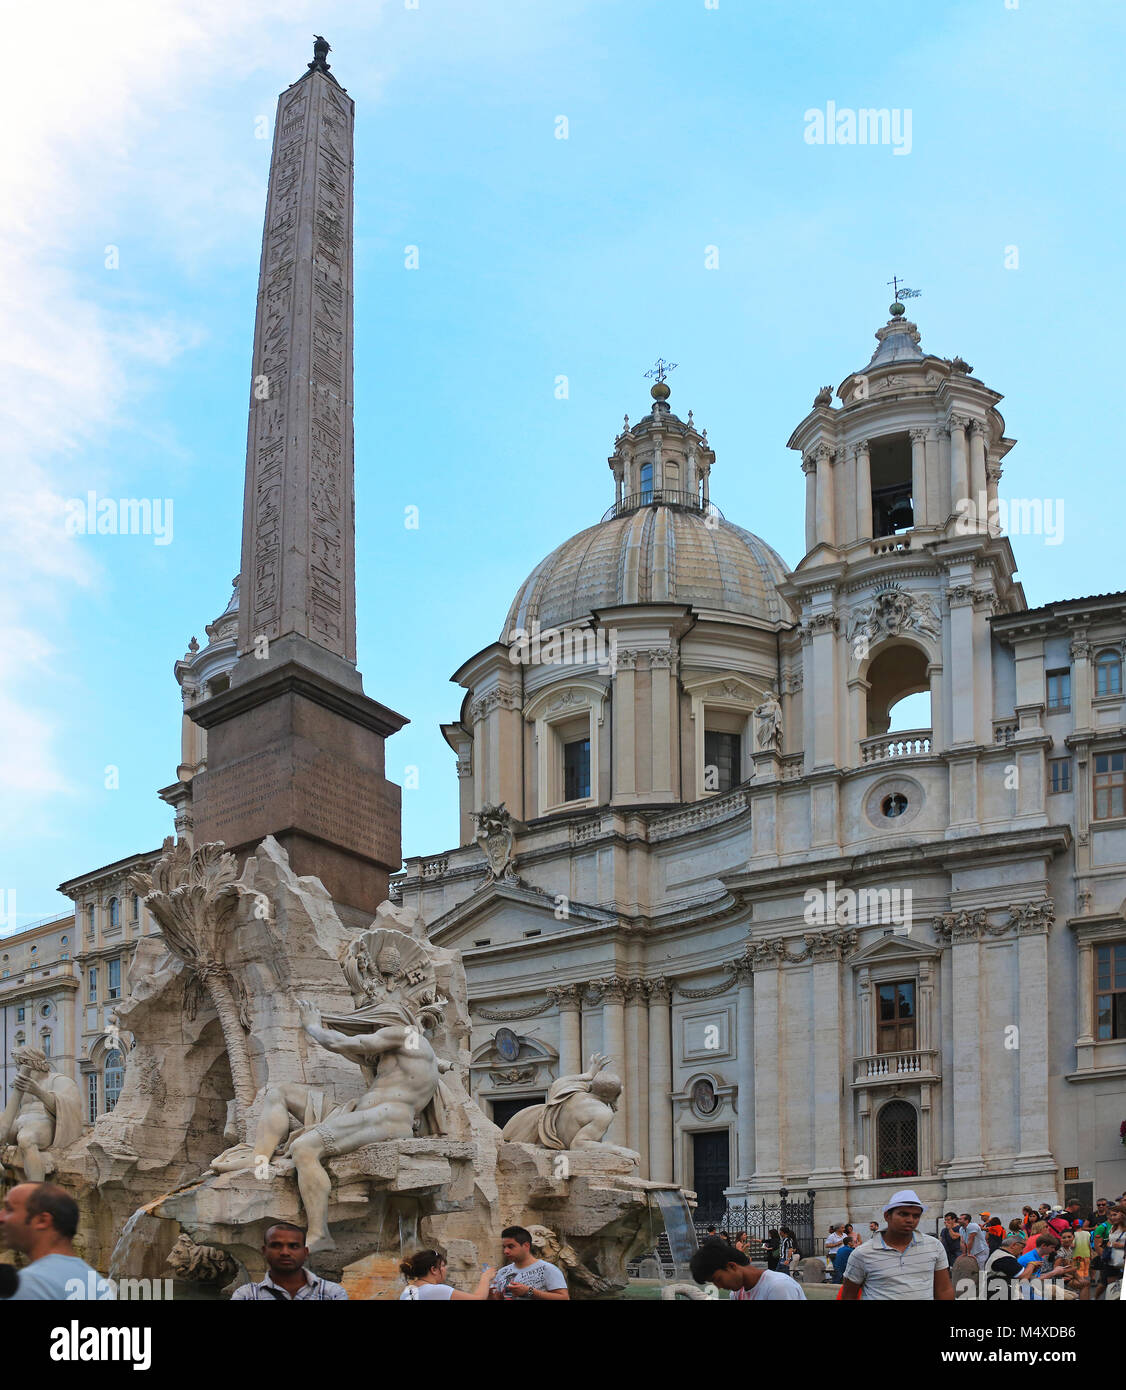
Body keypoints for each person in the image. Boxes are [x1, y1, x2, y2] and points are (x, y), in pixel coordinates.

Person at [0, 1182, 113, 1300]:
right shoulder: (98, 1284)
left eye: (9, 1209)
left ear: (42, 1220)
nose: (1, 1217)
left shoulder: (30, 1285)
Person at [840, 1190, 953, 1301]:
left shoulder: (934, 1246)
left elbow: (943, 1290)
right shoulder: (862, 1253)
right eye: (903, 1214)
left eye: (916, 1216)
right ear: (887, 1216)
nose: (910, 1220)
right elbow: (849, 1295)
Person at [230, 1222, 347, 1300]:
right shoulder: (246, 1295)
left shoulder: (333, 1293)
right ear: (264, 1251)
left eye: (294, 1246)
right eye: (276, 1245)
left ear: (305, 1252)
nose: (285, 1252)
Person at [689, 1241, 806, 1300]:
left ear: (732, 1266)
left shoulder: (778, 1287)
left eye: (718, 1279)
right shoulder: (736, 1293)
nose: (718, 1287)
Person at [488, 1226, 569, 1300]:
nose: (506, 1251)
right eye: (504, 1247)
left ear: (526, 1246)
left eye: (511, 1246)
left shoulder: (548, 1269)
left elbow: (564, 1298)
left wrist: (529, 1291)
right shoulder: (502, 1272)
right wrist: (489, 1294)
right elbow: (498, 1298)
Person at [398, 1248, 495, 1300]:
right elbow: (478, 1298)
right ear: (434, 1270)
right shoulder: (436, 1290)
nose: (445, 1269)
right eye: (443, 1266)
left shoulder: (408, 1290)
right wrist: (485, 1277)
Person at [980, 1235, 1026, 1300]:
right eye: (1022, 1247)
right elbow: (1023, 1276)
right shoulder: (1004, 1258)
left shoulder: (999, 1253)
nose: (1022, 1251)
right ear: (1013, 1245)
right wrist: (1031, 1265)